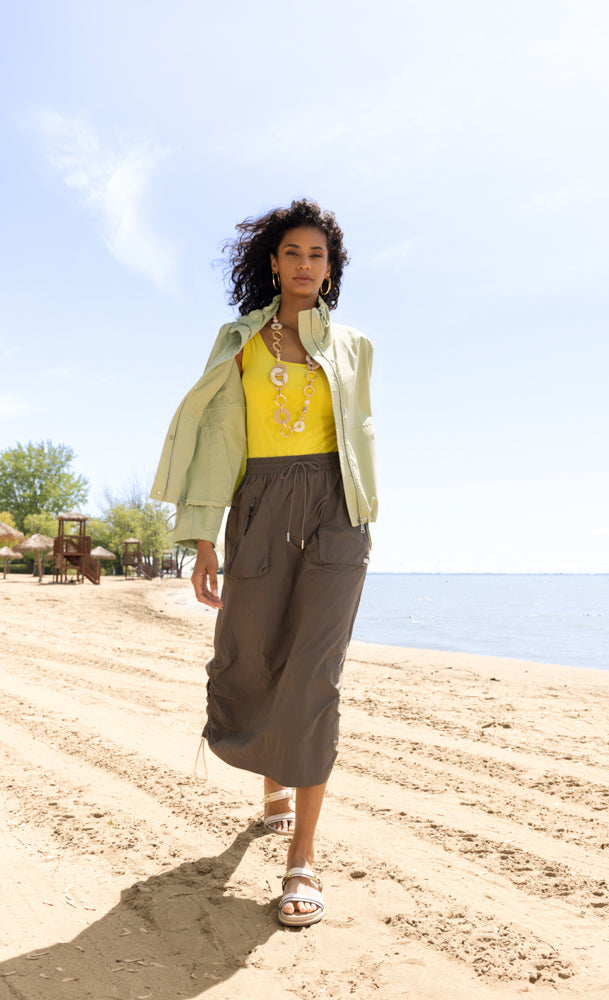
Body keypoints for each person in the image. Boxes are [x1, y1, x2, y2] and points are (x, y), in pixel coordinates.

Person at [150, 199, 378, 927]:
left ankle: (301, 860)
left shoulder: (354, 346)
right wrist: (204, 538)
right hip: (257, 504)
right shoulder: (239, 342)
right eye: (293, 253)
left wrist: (359, 508)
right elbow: (219, 441)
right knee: (251, 659)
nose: (306, 265)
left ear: (330, 268)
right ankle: (271, 783)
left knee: (315, 675)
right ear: (271, 263)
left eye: (318, 255)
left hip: (336, 512)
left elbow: (359, 436)